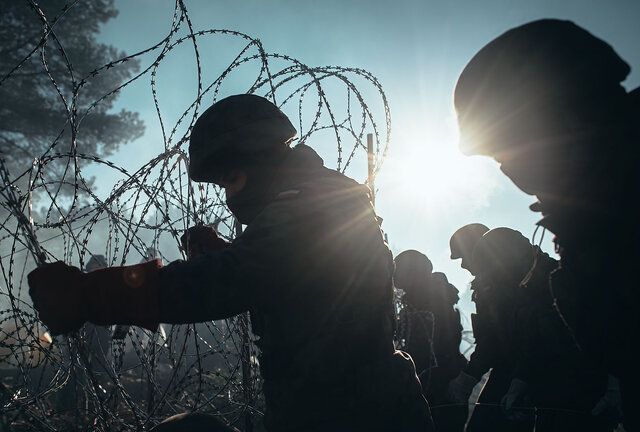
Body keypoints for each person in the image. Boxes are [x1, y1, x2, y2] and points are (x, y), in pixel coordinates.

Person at [27, 94, 434, 432]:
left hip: (353, 416)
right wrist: (228, 254)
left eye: (231, 180)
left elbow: (234, 278)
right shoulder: (322, 198)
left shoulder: (313, 204)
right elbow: (298, 282)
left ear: (257, 160)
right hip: (346, 409)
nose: (228, 199)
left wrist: (92, 293)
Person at [453, 19, 636, 430]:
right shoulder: (594, 213)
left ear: (565, 115)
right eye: (501, 160)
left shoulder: (614, 210)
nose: (513, 175)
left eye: (511, 150)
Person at [471, 227, 612, 432]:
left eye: (495, 270)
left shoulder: (561, 281)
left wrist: (614, 388)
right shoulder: (526, 290)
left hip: (584, 398)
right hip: (552, 398)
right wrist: (518, 387)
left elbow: (603, 335)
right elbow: (532, 346)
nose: (495, 279)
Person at [394, 249, 467, 432]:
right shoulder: (422, 302)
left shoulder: (433, 304)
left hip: (439, 390)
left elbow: (438, 349)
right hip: (433, 385)